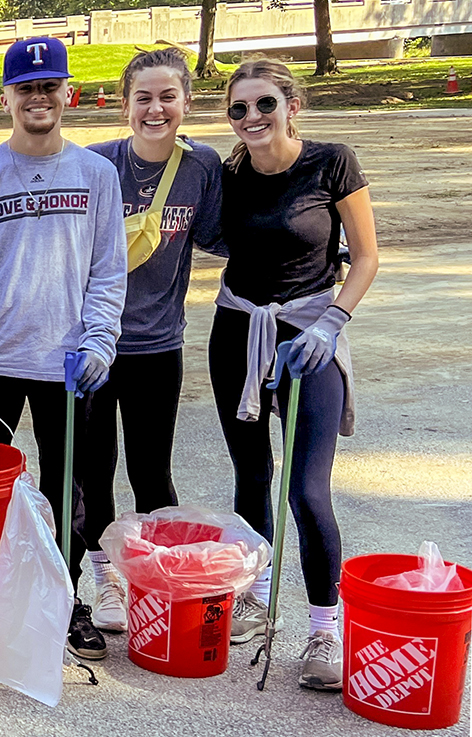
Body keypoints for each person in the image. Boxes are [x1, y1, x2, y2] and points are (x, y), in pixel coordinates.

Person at [0, 36, 127, 660]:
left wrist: (100, 342)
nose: (39, 97)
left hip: (70, 366)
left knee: (71, 491)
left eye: (49, 86)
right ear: (7, 98)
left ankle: (64, 598)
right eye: (26, 88)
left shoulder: (95, 175)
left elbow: (107, 270)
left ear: (67, 92)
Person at [210, 58, 377, 691]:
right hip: (238, 334)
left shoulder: (331, 162)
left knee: (307, 491)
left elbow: (365, 256)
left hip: (309, 336)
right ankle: (253, 598)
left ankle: (324, 629)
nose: (251, 118)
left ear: (292, 106)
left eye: (264, 105)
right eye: (238, 109)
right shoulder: (228, 174)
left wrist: (332, 322)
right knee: (251, 476)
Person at [78, 49, 226, 632]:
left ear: (187, 102)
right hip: (93, 346)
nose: (156, 108)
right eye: (143, 97)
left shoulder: (202, 167)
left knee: (150, 471)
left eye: (168, 96)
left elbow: (224, 237)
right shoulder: (94, 165)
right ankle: (106, 582)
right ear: (125, 105)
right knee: (93, 469)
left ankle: (156, 581)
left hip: (157, 347)